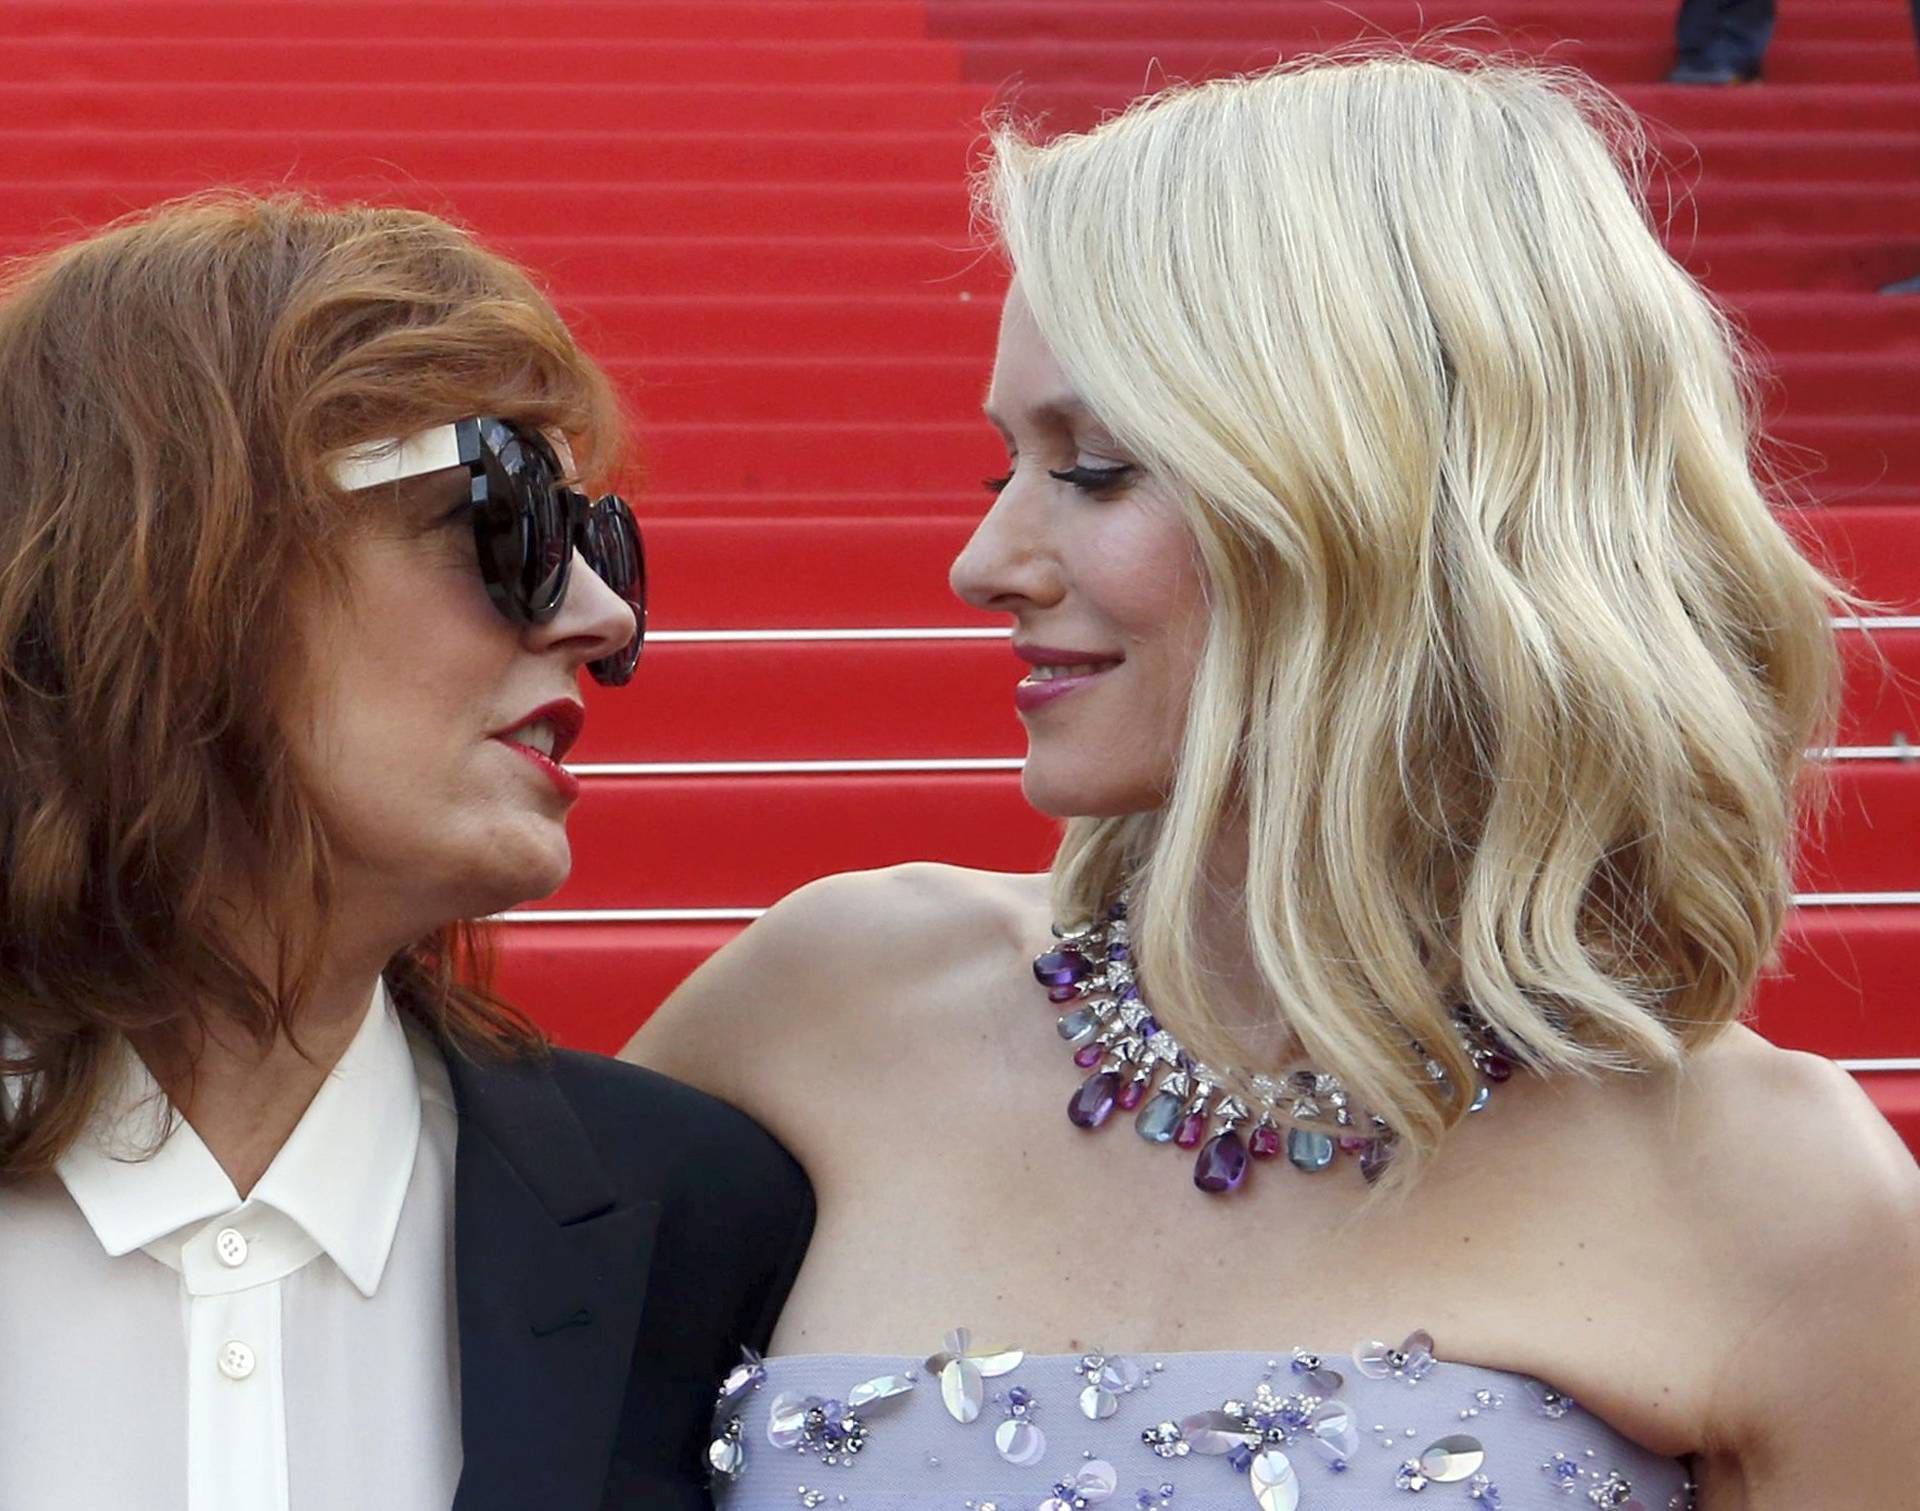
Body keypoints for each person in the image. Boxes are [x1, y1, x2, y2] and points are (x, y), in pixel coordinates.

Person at [629, 53, 1920, 1510]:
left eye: (1098, 468)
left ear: (1382, 505)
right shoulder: (825, 1009)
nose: (984, 563)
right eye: (1005, 463)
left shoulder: (1785, 1204)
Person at [0, 193, 812, 1510]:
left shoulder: (702, 1223)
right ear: (169, 555)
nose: (602, 621)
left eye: (600, 543)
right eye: (505, 516)